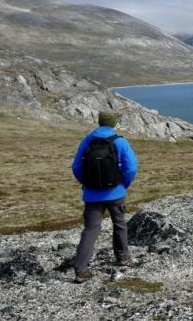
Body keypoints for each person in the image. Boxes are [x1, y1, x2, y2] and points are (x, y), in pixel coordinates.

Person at [71, 111, 138, 283]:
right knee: (120, 223)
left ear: (99, 122)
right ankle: (123, 256)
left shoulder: (87, 141)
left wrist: (87, 183)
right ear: (113, 123)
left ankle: (81, 269)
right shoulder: (120, 141)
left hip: (92, 195)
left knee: (91, 229)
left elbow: (76, 166)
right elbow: (131, 168)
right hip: (116, 192)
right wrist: (123, 184)